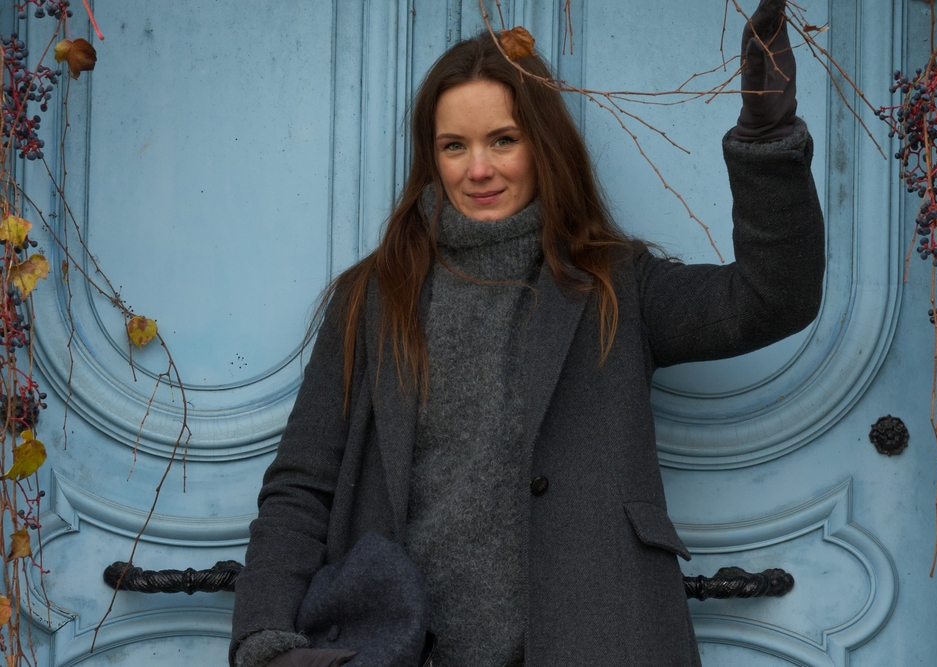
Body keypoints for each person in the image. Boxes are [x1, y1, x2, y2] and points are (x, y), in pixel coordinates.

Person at [230, 0, 824, 665]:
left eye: (503, 140)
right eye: (454, 146)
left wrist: (767, 144)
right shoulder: (373, 297)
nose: (478, 169)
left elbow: (772, 299)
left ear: (543, 146)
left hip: (599, 641)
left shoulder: (615, 286)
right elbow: (301, 486)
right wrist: (264, 640)